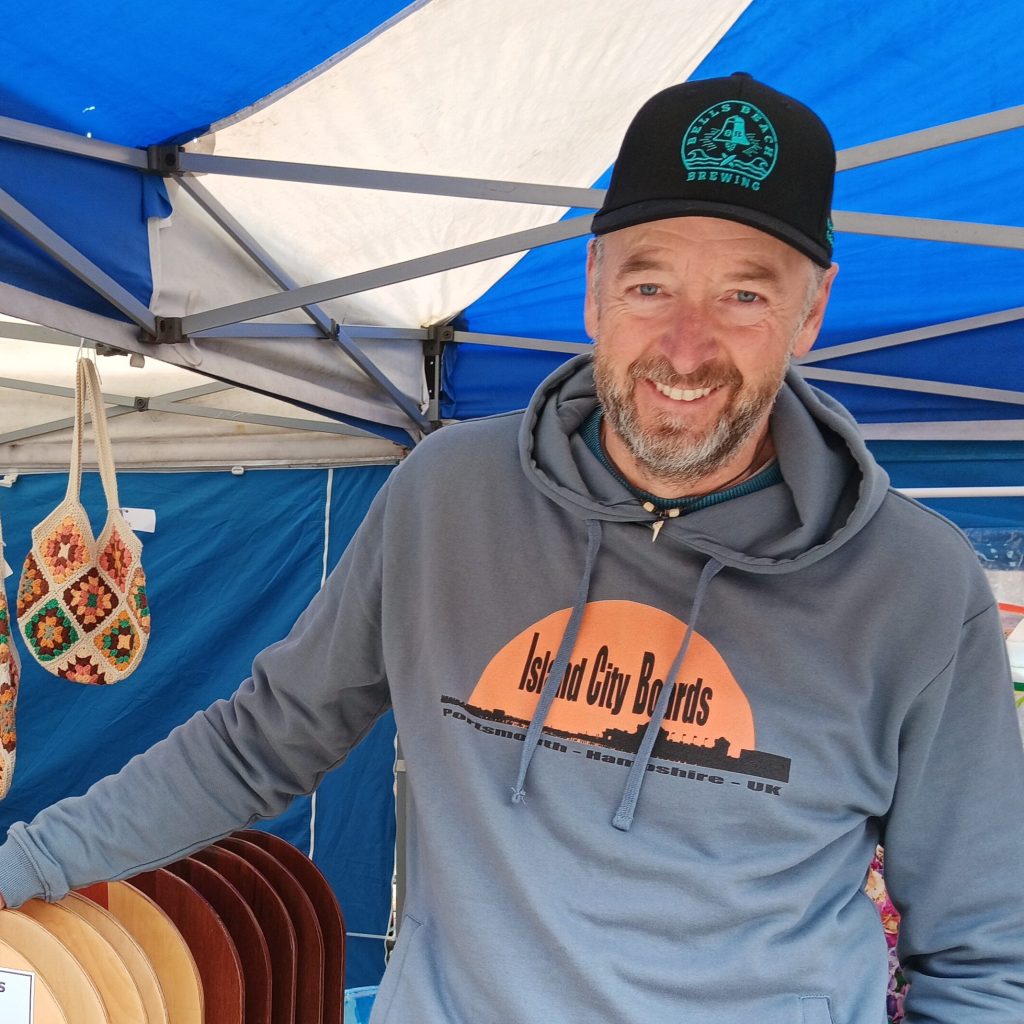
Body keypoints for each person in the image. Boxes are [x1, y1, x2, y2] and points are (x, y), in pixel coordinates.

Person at [0, 73, 1022, 1024]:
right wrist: (21, 865)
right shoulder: (444, 497)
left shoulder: (914, 588)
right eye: (649, 286)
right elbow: (259, 740)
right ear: (591, 287)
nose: (685, 344)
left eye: (745, 295)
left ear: (812, 311)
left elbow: (983, 952)